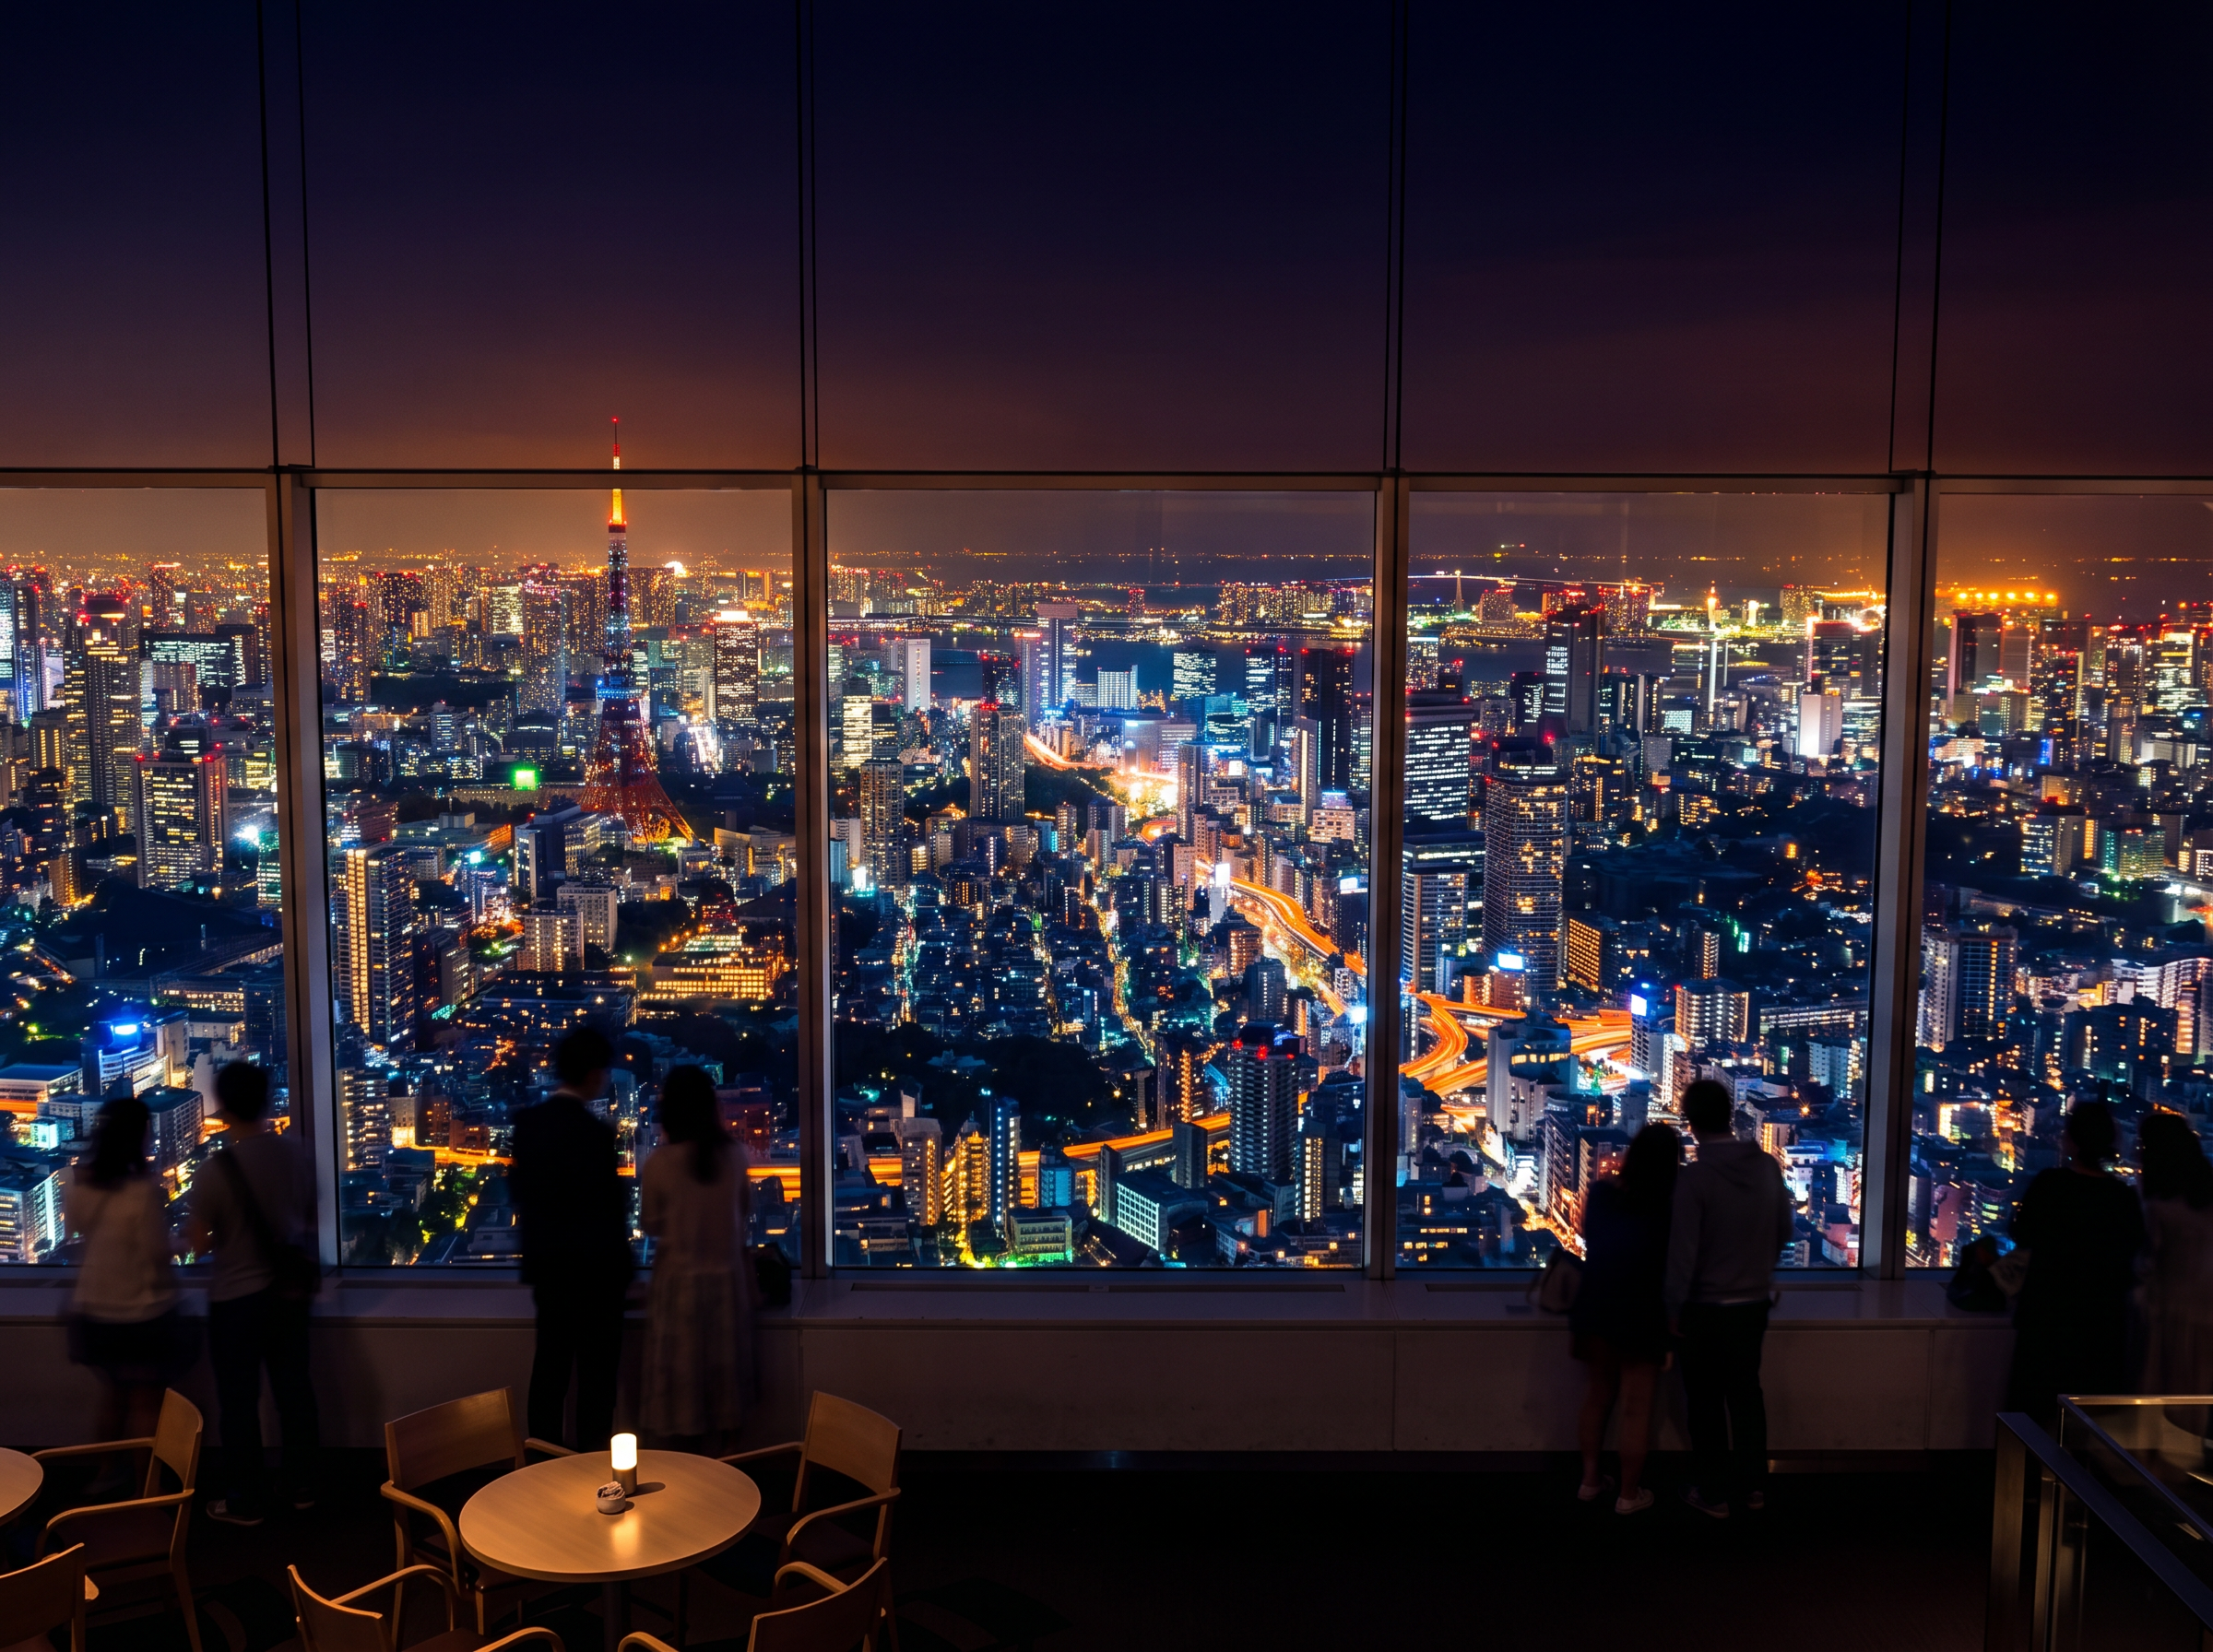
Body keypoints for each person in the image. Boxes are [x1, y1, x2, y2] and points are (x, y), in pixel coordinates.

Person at [187, 1061, 320, 1527]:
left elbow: (201, 1243)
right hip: (288, 1296)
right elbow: (307, 1219)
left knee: (239, 1402)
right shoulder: (298, 1154)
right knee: (295, 1392)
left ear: (222, 1108)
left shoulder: (213, 1172)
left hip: (236, 1300)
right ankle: (302, 1485)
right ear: (267, 1100)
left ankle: (245, 1499)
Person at [1664, 1078, 1793, 1520]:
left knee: (1704, 1401)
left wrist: (1673, 1308)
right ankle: (1755, 1486)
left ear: (1693, 1124)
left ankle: (1714, 1492)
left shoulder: (1695, 1179)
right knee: (1746, 1395)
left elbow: (1682, 1253)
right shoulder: (1766, 1169)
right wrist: (1758, 1271)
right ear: (1730, 1117)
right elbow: (1784, 1231)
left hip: (1703, 1308)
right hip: (1752, 1304)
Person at [512, 1026, 633, 1450]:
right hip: (597, 1277)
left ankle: (539, 1464)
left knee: (549, 1372)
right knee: (596, 1380)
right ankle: (590, 1466)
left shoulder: (528, 1125)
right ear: (594, 1073)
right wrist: (625, 1273)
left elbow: (520, 1194)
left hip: (550, 1271)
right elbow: (608, 1212)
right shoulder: (595, 1135)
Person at [65, 1093, 188, 1468]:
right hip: (141, 1311)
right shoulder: (143, 1189)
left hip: (94, 1311)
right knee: (145, 1403)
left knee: (113, 1396)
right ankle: (143, 1490)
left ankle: (103, 1475)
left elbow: (77, 1230)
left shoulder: (78, 1183)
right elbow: (155, 1251)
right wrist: (186, 1242)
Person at [2006, 1101, 2147, 1422]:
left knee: (2034, 1411)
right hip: (2101, 1321)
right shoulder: (2121, 1197)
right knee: (2088, 1420)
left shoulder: (2050, 1184)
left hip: (2047, 1312)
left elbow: (2021, 1232)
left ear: (2070, 1139)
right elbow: (2135, 1250)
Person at [639, 1065, 756, 1447]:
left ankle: (687, 1494)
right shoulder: (736, 1156)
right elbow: (743, 1213)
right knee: (725, 1401)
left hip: (679, 1290)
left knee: (682, 1403)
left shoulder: (660, 1163)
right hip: (728, 1286)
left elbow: (652, 1224)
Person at [1571, 1123, 1679, 1516]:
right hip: (1642, 1310)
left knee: (1598, 1396)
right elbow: (1673, 1267)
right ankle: (1629, 1495)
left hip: (1596, 1304)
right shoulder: (1667, 1209)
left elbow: (1589, 1237)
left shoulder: (1601, 1193)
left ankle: (1589, 1480)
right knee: (1637, 1406)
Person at [2136, 1110, 2213, 1410]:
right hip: (2206, 1310)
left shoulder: (2159, 1207)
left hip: (2171, 1313)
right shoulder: (2206, 1199)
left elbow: (2146, 1263)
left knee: (2163, 1401)